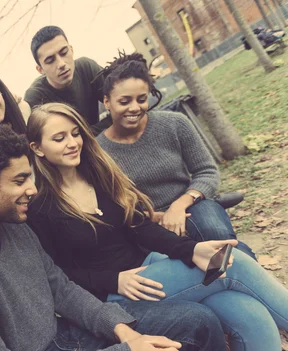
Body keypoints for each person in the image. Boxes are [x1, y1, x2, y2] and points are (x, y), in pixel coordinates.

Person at [0, 123, 232, 351]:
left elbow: (62, 290)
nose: (33, 190)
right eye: (20, 180)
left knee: (198, 323)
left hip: (67, 337)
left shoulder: (14, 226)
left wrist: (120, 329)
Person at [26, 102, 288, 351]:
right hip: (115, 294)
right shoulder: (39, 208)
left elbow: (141, 227)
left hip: (151, 266)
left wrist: (190, 249)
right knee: (235, 265)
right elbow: (57, 276)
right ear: (37, 148)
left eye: (75, 134)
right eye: (59, 138)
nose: (73, 143)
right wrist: (113, 281)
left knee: (248, 313)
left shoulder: (98, 175)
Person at [94, 52, 256, 259]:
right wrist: (148, 217)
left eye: (141, 99)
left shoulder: (174, 123)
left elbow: (206, 171)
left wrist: (180, 205)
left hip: (192, 204)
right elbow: (109, 205)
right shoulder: (100, 151)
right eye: (124, 101)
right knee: (181, 262)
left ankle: (247, 282)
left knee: (220, 242)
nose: (134, 108)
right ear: (107, 102)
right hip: (145, 223)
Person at [24, 26, 116, 132]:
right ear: (40, 69)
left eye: (64, 53)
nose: (61, 64)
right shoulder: (35, 98)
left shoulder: (86, 67)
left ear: (71, 50)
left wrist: (90, 135)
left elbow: (120, 106)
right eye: (50, 60)